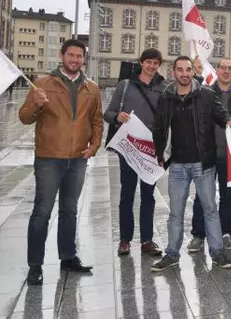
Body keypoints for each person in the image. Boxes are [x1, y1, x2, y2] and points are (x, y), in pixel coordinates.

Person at [20, 39, 103, 286]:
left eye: (79, 56)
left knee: (70, 210)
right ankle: (35, 264)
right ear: (62, 55)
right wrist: (35, 104)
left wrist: (95, 145)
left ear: (84, 59)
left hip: (77, 158)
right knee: (42, 211)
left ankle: (68, 257)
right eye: (71, 55)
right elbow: (24, 118)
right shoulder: (43, 84)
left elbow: (97, 120)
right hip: (49, 157)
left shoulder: (92, 87)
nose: (75, 60)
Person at [150, 56, 231, 272]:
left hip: (203, 163)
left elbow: (220, 113)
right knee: (175, 213)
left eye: (188, 69)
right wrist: (159, 152)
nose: (185, 73)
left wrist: (228, 120)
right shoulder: (166, 97)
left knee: (210, 209)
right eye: (180, 70)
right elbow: (159, 128)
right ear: (174, 72)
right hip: (177, 165)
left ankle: (217, 252)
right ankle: (171, 253)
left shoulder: (206, 94)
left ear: (192, 71)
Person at [104, 48, 166, 258]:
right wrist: (117, 117)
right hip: (130, 147)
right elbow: (108, 113)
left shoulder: (162, 88)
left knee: (149, 196)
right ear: (141, 63)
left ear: (159, 65)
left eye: (155, 63)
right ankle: (125, 240)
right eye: (148, 62)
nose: (151, 66)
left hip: (151, 149)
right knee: (127, 194)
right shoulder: (126, 85)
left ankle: (147, 241)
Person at [188, 59, 231, 253]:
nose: (226, 71)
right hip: (207, 153)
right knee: (202, 196)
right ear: (217, 70)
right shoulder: (204, 93)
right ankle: (198, 235)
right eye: (223, 68)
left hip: (230, 155)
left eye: (230, 69)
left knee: (229, 197)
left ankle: (227, 231)